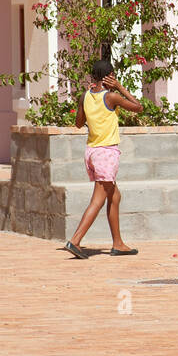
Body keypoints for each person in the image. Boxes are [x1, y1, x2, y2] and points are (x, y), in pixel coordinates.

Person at [62, 60, 143, 259]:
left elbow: (79, 123)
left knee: (115, 196)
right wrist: (120, 88)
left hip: (91, 152)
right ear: (110, 77)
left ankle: (118, 244)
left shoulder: (86, 95)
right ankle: (75, 241)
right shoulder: (112, 96)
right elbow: (138, 107)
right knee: (97, 200)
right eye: (113, 76)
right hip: (106, 153)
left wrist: (85, 101)